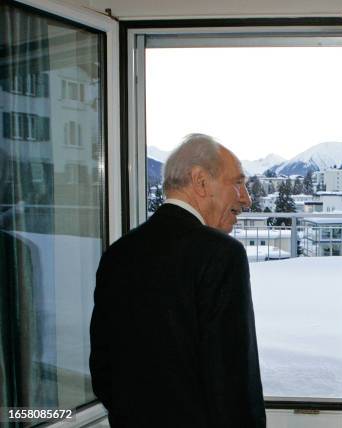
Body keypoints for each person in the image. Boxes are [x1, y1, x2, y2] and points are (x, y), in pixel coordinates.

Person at [90, 134, 266, 427]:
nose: (246, 198)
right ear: (200, 182)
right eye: (238, 182)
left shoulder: (118, 254)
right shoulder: (222, 255)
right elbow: (233, 381)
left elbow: (103, 370)